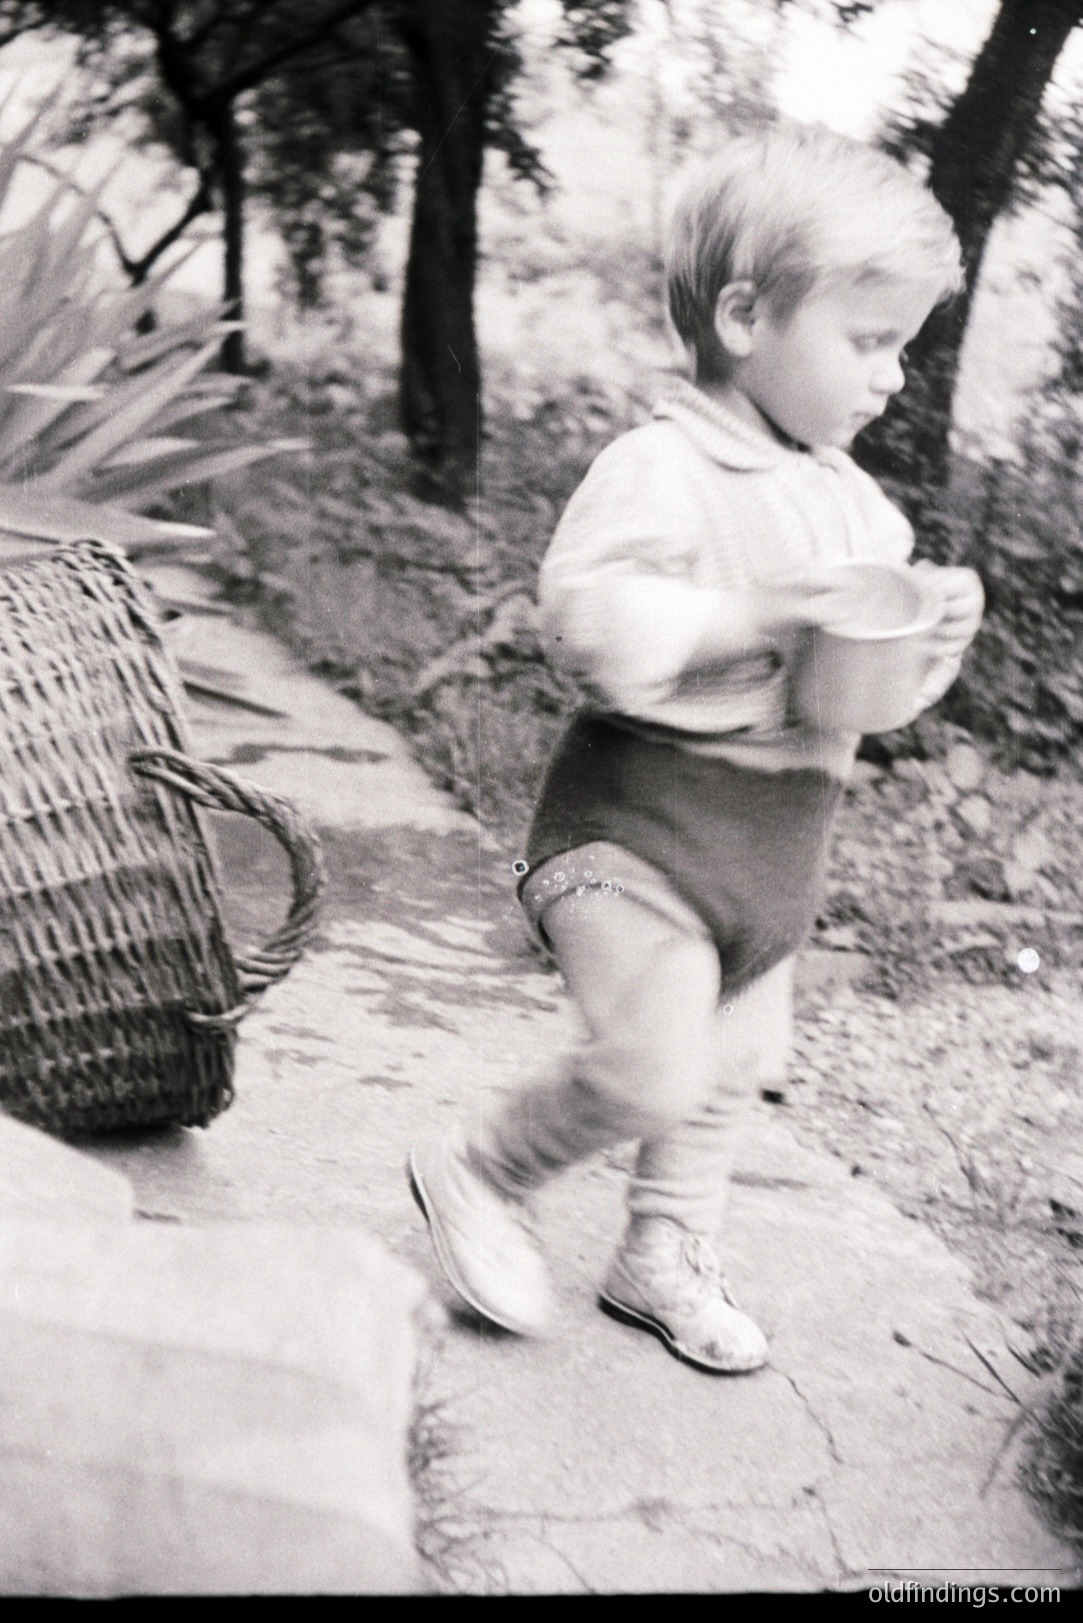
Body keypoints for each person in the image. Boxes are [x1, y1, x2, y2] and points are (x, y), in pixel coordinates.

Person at [408, 121, 985, 1374]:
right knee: (653, 1068)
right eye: (869, 341)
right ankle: (482, 1168)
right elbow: (587, 627)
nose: (892, 379)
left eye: (904, 347)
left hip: (773, 854)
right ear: (744, 316)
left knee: (730, 1073)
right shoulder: (660, 469)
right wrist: (757, 612)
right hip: (638, 833)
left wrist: (933, 638)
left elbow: (863, 700)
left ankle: (662, 1250)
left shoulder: (860, 510)